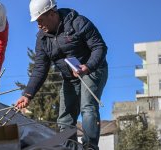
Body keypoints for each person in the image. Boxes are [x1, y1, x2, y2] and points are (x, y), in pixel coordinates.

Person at [15, 0, 108, 149]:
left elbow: (99, 47)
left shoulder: (78, 22)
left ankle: (90, 146)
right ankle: (70, 147)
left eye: (40, 20)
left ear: (52, 14)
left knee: (87, 106)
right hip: (70, 78)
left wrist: (88, 67)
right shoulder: (42, 39)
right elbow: (40, 68)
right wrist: (28, 94)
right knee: (65, 117)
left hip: (93, 69)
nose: (38, 25)